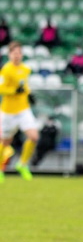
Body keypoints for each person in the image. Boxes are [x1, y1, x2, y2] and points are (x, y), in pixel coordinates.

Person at [0, 42, 38, 182]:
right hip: (8, 112)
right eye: (14, 53)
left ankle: (22, 164)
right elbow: (1, 88)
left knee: (33, 137)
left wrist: (29, 94)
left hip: (23, 109)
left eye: (19, 53)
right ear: (9, 55)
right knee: (5, 142)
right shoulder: (6, 70)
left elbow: (24, 86)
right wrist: (14, 91)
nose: (17, 56)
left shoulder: (25, 69)